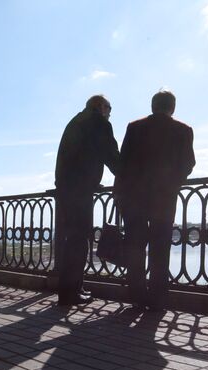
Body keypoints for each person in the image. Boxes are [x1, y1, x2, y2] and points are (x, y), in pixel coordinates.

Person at [114, 90, 195, 310]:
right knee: (161, 247)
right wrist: (172, 183)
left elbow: (123, 163)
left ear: (152, 106)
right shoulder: (183, 130)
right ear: (172, 107)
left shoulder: (134, 127)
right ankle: (158, 298)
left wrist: (120, 191)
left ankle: (137, 295)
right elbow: (188, 163)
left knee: (136, 246)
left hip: (134, 197)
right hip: (164, 199)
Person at [55, 95, 120, 306]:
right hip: (80, 189)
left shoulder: (75, 121)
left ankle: (72, 288)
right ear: (101, 107)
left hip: (66, 188)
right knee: (78, 240)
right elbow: (112, 156)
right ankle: (70, 293)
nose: (110, 113)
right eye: (109, 109)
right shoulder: (99, 123)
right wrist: (128, 175)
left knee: (72, 239)